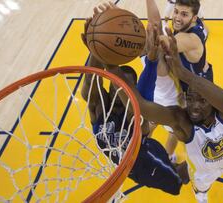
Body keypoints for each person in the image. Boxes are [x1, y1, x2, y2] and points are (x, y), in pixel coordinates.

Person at [104, 26, 223, 203]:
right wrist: (111, 66)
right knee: (199, 184)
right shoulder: (182, 121)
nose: (193, 106)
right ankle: (200, 193)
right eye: (189, 99)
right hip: (201, 172)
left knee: (201, 171)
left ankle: (194, 182)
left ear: (213, 103)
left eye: (201, 101)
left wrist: (183, 73)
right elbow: (141, 106)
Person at [80, 3, 188, 195]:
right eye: (120, 84)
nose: (123, 88)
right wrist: (95, 46)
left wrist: (152, 62)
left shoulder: (135, 115)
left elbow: (141, 99)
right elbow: (91, 84)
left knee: (177, 182)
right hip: (138, 168)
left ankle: (180, 168)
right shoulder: (101, 108)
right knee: (177, 183)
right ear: (112, 87)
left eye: (129, 86)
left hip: (147, 156)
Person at [143, 0, 212, 162]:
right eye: (176, 12)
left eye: (184, 14)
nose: (177, 18)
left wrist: (133, 36)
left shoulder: (187, 38)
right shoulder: (196, 26)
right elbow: (155, 26)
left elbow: (163, 43)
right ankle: (162, 153)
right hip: (186, 85)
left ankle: (166, 157)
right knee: (167, 125)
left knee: (176, 129)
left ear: (194, 18)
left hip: (193, 97)